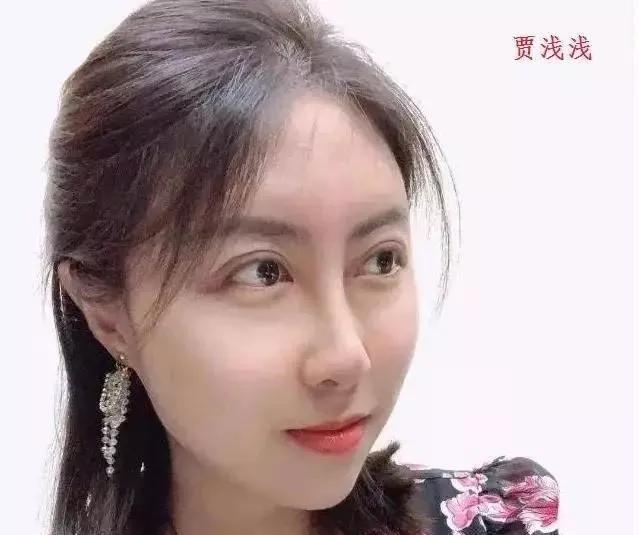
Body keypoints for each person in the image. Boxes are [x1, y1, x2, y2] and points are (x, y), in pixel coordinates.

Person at [41, 1, 560, 534]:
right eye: (262, 273)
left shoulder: (497, 521)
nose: (347, 356)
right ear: (107, 314)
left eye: (381, 260)